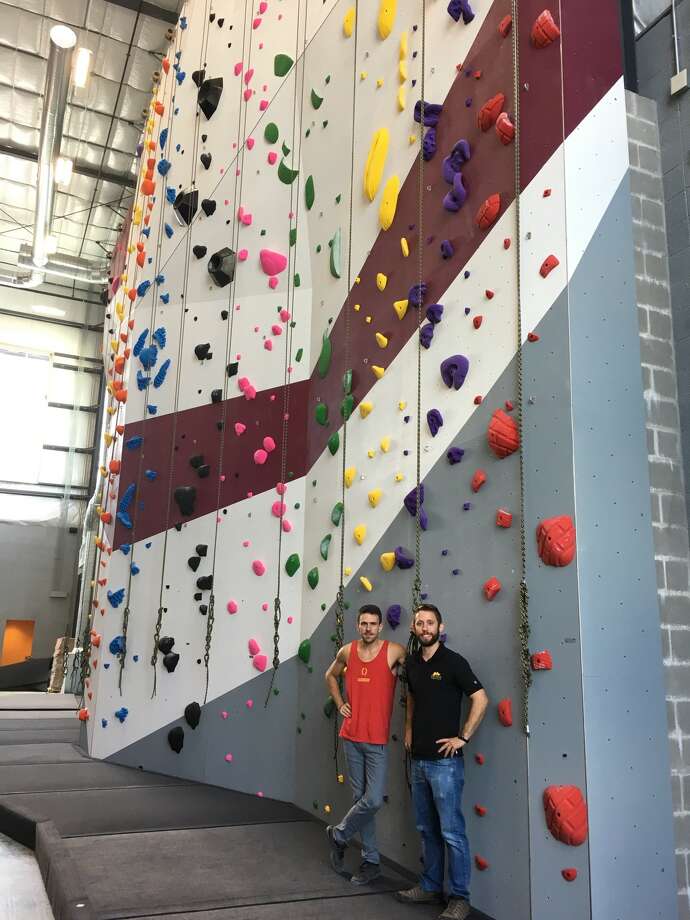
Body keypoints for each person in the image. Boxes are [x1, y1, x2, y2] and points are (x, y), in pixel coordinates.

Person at [396, 603, 489, 920]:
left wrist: (463, 737)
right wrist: (408, 729)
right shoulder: (411, 665)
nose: (425, 627)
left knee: (452, 832)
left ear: (440, 627)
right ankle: (431, 886)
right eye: (419, 622)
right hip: (419, 762)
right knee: (426, 829)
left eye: (430, 622)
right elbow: (411, 698)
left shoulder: (453, 662)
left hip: (445, 765)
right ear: (413, 628)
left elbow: (480, 697)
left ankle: (460, 898)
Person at [324, 604, 406, 884]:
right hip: (350, 737)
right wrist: (340, 703)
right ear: (358, 625)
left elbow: (416, 676)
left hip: (375, 741)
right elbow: (330, 676)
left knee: (372, 801)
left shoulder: (394, 651)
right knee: (362, 802)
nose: (368, 628)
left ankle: (338, 834)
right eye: (364, 623)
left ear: (380, 626)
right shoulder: (347, 651)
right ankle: (371, 862)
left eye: (373, 623)